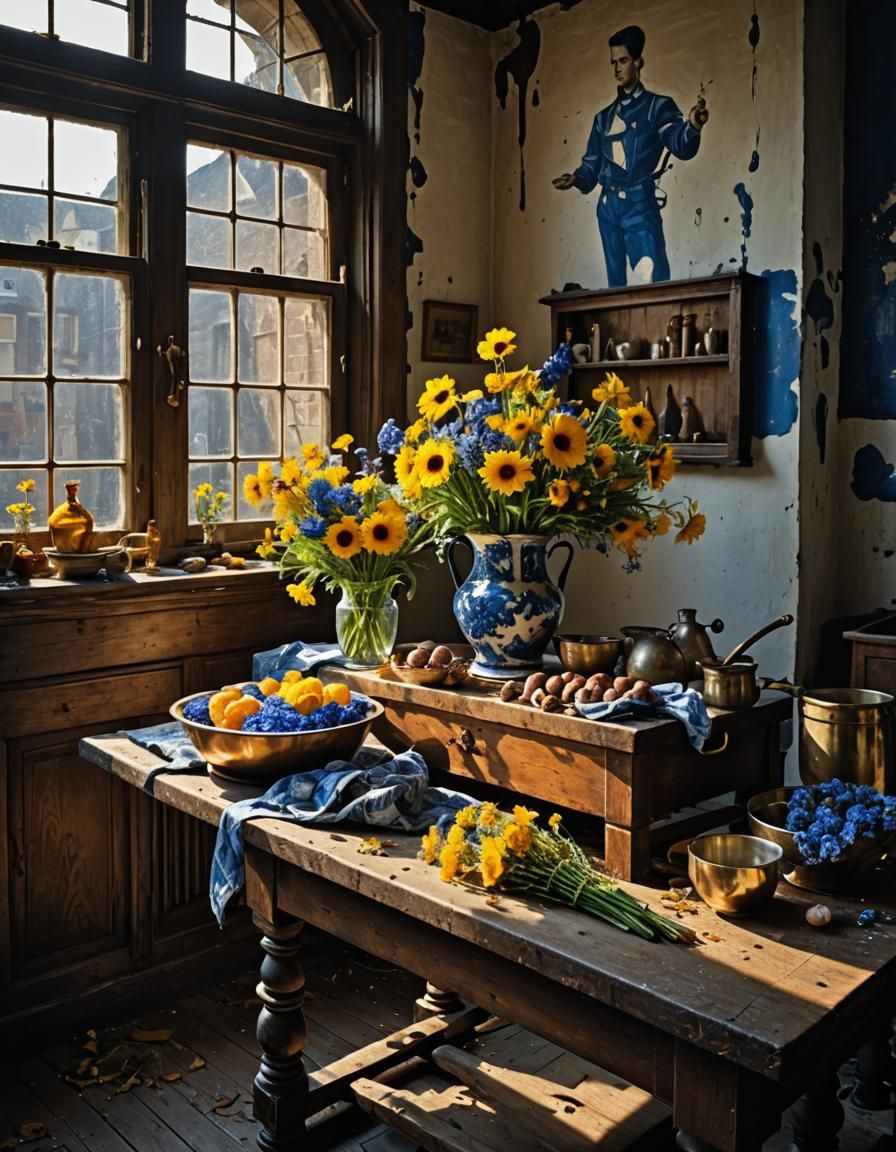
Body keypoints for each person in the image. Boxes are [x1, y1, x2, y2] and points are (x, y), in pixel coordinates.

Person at [553, 25, 708, 287]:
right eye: (613, 62)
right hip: (608, 207)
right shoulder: (603, 118)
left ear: (638, 62)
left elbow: (679, 144)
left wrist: (692, 126)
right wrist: (576, 178)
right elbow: (592, 165)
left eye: (623, 61)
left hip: (640, 203)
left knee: (654, 283)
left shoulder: (657, 106)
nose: (617, 69)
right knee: (615, 287)